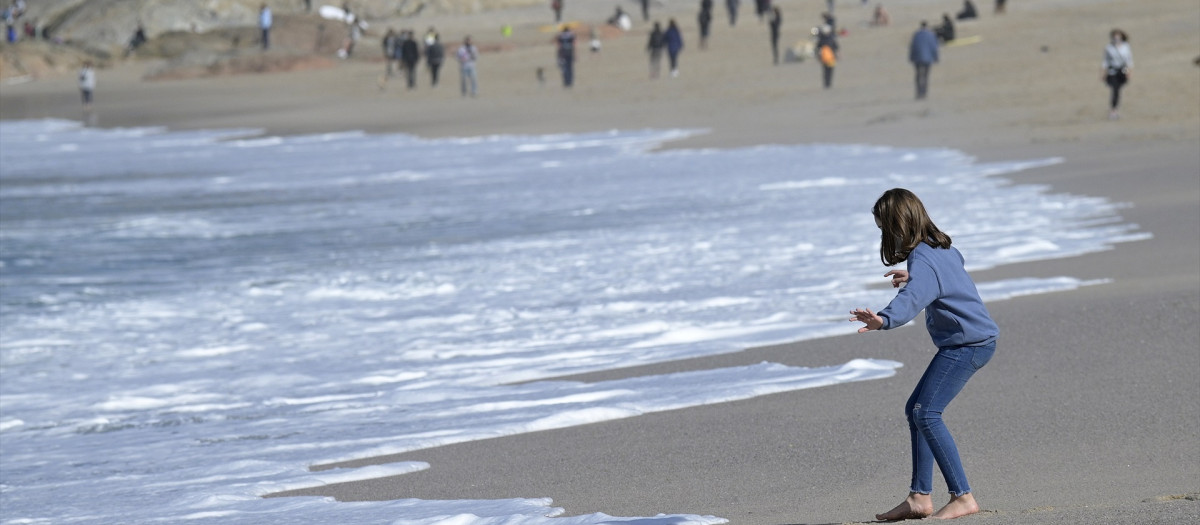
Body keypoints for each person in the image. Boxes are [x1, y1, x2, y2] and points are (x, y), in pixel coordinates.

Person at [850, 188, 997, 522]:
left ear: (898, 225)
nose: (885, 236)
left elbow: (913, 298)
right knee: (915, 410)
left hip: (967, 345)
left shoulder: (923, 259)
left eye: (884, 229)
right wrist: (915, 277)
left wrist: (883, 319)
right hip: (973, 340)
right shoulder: (943, 248)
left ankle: (962, 496)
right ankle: (919, 497)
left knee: (926, 412)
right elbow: (946, 276)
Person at [1102, 28, 1133, 120]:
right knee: (1115, 89)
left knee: (1118, 89)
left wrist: (1129, 72)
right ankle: (1113, 110)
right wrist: (1103, 73)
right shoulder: (1109, 48)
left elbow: (1129, 61)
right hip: (1112, 71)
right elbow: (1105, 62)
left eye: (1118, 36)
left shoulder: (1126, 47)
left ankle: (1115, 109)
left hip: (1122, 70)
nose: (1116, 38)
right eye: (1115, 36)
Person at [909, 21, 939, 99]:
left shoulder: (916, 34)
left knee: (918, 75)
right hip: (928, 58)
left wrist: (911, 58)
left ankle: (919, 92)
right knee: (926, 76)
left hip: (917, 58)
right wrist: (936, 58)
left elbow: (913, 47)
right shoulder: (931, 35)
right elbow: (934, 47)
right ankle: (924, 92)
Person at [816, 24, 837, 88]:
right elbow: (835, 47)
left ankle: (826, 83)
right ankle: (828, 83)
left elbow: (818, 48)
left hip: (824, 58)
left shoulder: (821, 39)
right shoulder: (831, 38)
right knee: (830, 71)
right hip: (831, 57)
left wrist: (818, 57)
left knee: (826, 71)